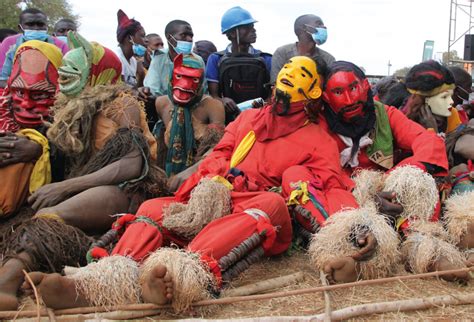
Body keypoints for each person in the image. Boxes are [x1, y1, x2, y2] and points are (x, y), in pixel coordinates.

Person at [24, 56, 358, 312]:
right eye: (287, 69)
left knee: (267, 205)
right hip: (218, 199)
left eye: (300, 74)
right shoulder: (249, 119)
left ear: (313, 91)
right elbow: (221, 153)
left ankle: (181, 274)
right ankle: (99, 282)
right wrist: (209, 182)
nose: (289, 75)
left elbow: (331, 186)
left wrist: (353, 229)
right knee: (153, 208)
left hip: (266, 212)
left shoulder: (319, 138)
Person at [314, 61, 469, 283]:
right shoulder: (318, 124)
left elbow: (425, 140)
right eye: (338, 92)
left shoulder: (385, 114)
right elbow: (324, 173)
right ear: (327, 97)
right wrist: (365, 194)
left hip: (390, 193)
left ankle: (424, 249)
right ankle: (354, 258)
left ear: (366, 86)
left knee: (413, 176)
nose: (349, 100)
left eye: (353, 88)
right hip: (343, 194)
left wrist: (394, 181)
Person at [0, 40, 62, 217]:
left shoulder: (69, 120)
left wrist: (40, 151)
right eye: (19, 92)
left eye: (40, 94)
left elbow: (74, 167)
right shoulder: (3, 111)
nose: (26, 104)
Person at [153, 53, 225, 191]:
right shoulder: (162, 103)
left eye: (194, 79)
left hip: (200, 180)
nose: (185, 85)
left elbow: (218, 150)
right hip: (168, 180)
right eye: (179, 76)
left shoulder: (213, 106)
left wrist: (189, 173)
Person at [206, 6, 272, 124]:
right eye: (246, 27)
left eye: (252, 27)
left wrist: (263, 106)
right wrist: (222, 101)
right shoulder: (216, 59)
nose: (253, 30)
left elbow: (273, 94)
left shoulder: (266, 58)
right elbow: (213, 95)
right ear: (231, 33)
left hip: (259, 119)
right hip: (228, 120)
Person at [0, 8, 69, 88]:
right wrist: (19, 90)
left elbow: (67, 78)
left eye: (40, 24)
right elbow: (2, 79)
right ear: (20, 27)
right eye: (30, 24)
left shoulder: (60, 46)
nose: (36, 28)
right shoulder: (10, 45)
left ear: (46, 26)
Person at [142, 20, 203, 99]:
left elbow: (202, 91)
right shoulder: (159, 58)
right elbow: (152, 90)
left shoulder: (198, 61)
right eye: (183, 35)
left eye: (191, 36)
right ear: (169, 37)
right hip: (163, 106)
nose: (189, 39)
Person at [271, 14, 334, 85]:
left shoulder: (328, 59)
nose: (324, 27)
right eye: (318, 24)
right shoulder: (282, 53)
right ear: (304, 28)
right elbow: (275, 84)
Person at [115, 9, 147, 88]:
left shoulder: (133, 61)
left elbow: (134, 90)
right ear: (130, 38)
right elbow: (120, 92)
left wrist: (141, 74)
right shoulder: (117, 58)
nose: (146, 40)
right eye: (142, 36)